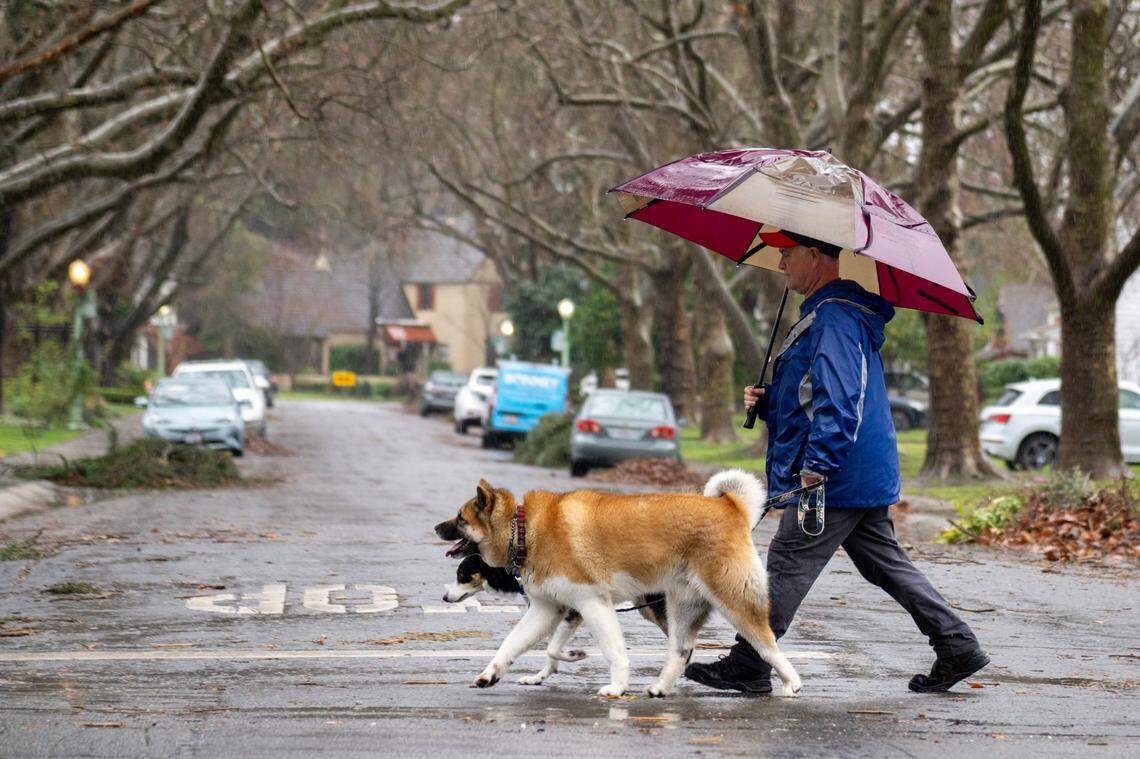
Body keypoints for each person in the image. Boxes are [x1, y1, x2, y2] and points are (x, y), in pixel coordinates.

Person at [684, 230, 990, 694]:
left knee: (787, 559)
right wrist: (770, 401)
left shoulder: (835, 317)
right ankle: (957, 645)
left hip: (834, 473)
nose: (782, 265)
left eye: (788, 255)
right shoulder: (831, 314)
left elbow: (842, 398)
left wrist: (816, 468)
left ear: (815, 255)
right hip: (858, 469)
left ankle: (749, 662)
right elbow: (816, 393)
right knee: (883, 563)